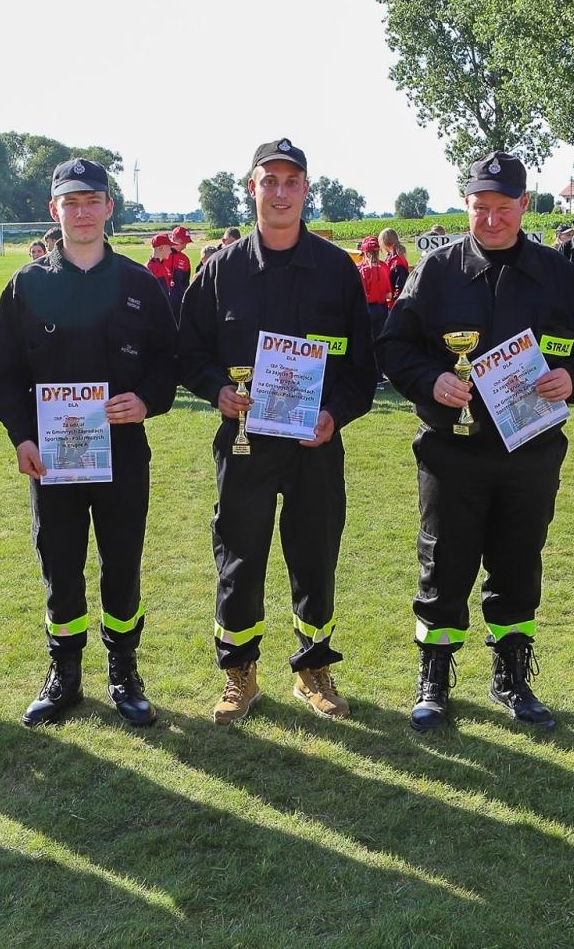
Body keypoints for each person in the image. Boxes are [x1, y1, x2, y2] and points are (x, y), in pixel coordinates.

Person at [376, 151, 574, 732]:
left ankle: (512, 676)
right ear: (467, 205)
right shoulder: (436, 271)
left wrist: (572, 378)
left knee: (518, 563)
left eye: (504, 209)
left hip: (530, 453)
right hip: (452, 452)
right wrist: (434, 380)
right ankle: (434, 678)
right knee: (443, 564)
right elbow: (394, 347)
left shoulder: (559, 275)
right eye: (481, 209)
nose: (492, 221)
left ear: (525, 205)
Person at [177, 138, 378, 724]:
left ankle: (313, 666)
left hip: (315, 443)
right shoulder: (221, 270)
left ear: (306, 190)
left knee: (314, 553)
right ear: (252, 188)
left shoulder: (338, 271)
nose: (282, 192)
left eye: (293, 182)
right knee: (239, 557)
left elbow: (362, 368)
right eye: (271, 181)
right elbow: (187, 353)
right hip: (244, 445)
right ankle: (239, 672)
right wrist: (217, 389)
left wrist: (334, 415)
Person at [0, 158, 177, 729]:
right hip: (52, 461)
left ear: (109, 207)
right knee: (60, 564)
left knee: (122, 564)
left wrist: (145, 400)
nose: (83, 211)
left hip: (122, 455)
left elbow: (171, 365)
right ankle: (64, 672)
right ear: (54, 211)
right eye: (71, 202)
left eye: (93, 199)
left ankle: (124, 670)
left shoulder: (141, 284)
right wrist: (21, 435)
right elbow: (1, 374)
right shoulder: (27, 285)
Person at [356, 236, 391, 343]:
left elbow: (359, 295)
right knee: (382, 341)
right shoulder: (384, 266)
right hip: (383, 309)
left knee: (367, 342)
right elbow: (389, 295)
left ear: (365, 253)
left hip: (367, 310)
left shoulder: (360, 268)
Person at [380, 227, 409, 306]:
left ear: (384, 243)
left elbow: (400, 284)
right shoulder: (390, 257)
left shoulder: (397, 261)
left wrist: (395, 303)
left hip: (395, 303)